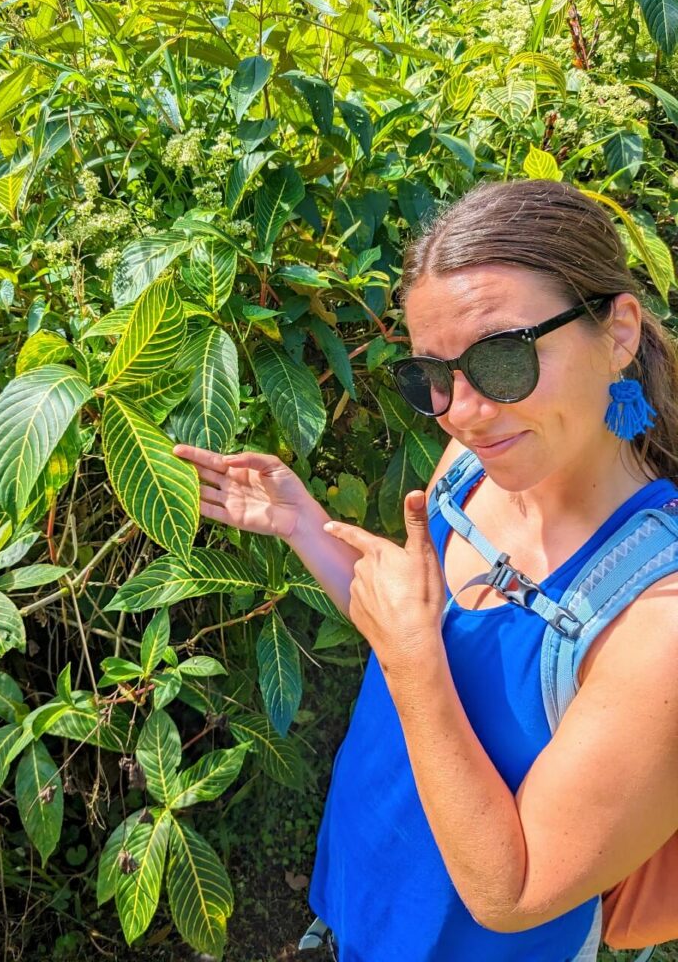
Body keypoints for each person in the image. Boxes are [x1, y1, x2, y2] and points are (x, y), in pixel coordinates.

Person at [173, 179, 678, 961]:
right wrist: (302, 524)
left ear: (616, 332)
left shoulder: (657, 614)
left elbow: (513, 894)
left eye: (503, 358)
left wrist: (411, 664)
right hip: (368, 893)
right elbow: (411, 625)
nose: (463, 411)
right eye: (434, 378)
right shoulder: (474, 468)